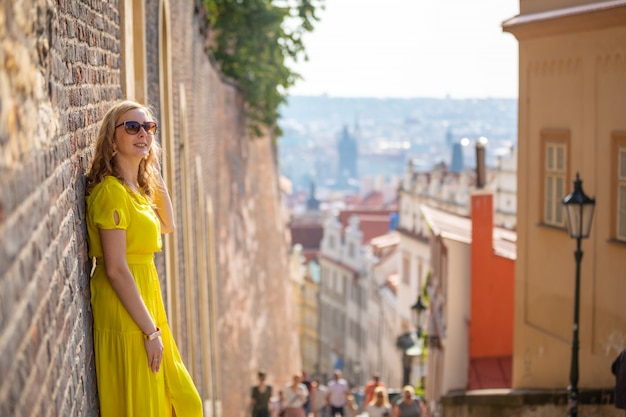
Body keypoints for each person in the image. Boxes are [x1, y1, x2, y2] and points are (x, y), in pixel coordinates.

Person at [85, 99, 202, 416]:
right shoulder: (111, 192)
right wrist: (150, 333)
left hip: (146, 302)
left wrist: (153, 170)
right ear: (113, 138)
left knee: (184, 402)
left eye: (149, 128)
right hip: (125, 308)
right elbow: (116, 269)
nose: (143, 134)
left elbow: (169, 224)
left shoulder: (137, 189)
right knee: (146, 405)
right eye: (132, 127)